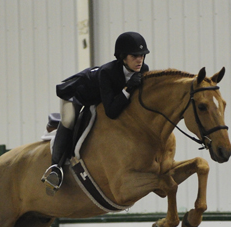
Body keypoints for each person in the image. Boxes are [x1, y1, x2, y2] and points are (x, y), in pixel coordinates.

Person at [41, 31, 150, 190]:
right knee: (69, 120)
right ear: (123, 57)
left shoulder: (143, 69)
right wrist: (128, 88)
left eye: (142, 55)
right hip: (75, 94)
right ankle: (55, 169)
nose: (139, 59)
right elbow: (111, 111)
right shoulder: (107, 72)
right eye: (134, 56)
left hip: (96, 98)